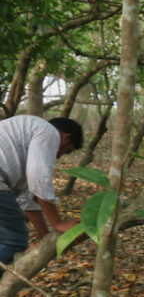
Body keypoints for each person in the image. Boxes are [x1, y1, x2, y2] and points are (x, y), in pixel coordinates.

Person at [0, 116, 83, 276]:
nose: (59, 156)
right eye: (65, 150)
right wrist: (57, 223)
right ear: (66, 137)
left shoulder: (24, 137)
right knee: (14, 241)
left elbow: (26, 199)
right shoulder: (48, 131)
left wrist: (45, 235)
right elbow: (39, 177)